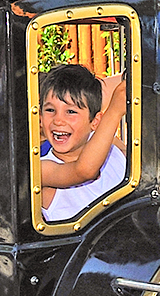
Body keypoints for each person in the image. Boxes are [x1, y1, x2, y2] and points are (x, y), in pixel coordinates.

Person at [38, 64, 129, 222]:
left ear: (94, 121)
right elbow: (84, 171)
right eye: (50, 110)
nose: (58, 120)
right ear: (40, 117)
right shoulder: (41, 170)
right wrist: (115, 111)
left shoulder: (113, 153)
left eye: (71, 111)